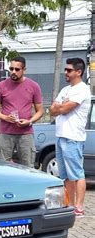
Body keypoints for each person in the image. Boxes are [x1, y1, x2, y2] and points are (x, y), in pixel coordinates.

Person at [49, 57, 91, 217]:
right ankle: (70, 205)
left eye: (69, 70)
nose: (66, 72)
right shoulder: (65, 90)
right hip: (60, 136)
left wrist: (60, 106)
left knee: (77, 173)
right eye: (65, 69)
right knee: (65, 175)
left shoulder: (82, 89)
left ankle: (79, 206)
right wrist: (60, 106)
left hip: (73, 137)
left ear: (78, 72)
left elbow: (65, 109)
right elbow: (52, 110)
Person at [0, 56, 44, 167]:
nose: (13, 72)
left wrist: (29, 121)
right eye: (11, 69)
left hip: (25, 134)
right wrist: (6, 118)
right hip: (6, 133)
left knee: (28, 166)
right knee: (2, 166)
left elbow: (40, 111)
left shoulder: (33, 86)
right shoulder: (2, 86)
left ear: (24, 70)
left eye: (17, 69)